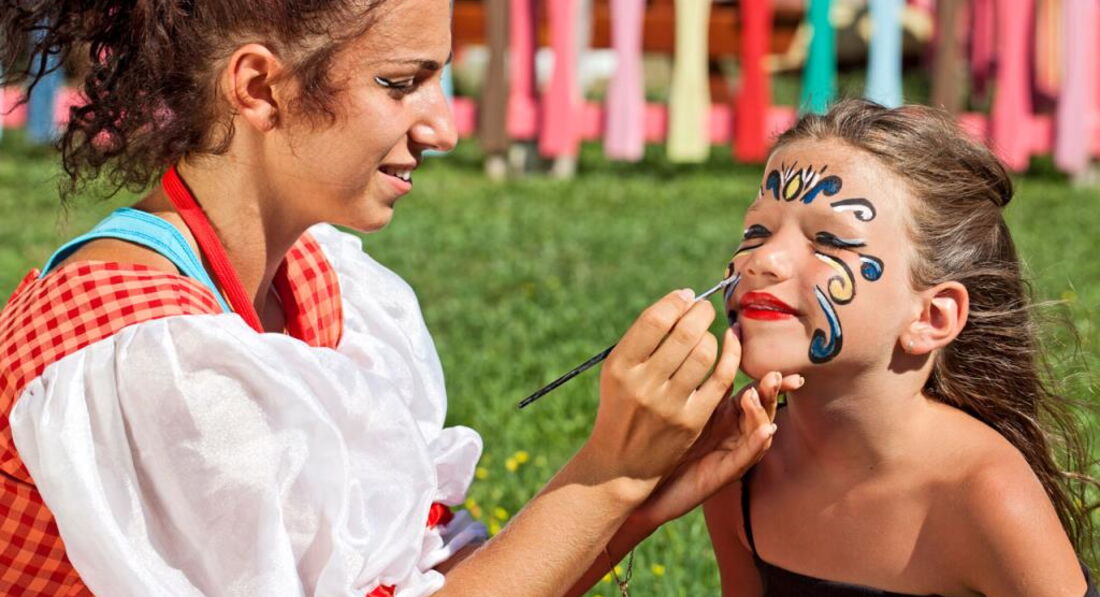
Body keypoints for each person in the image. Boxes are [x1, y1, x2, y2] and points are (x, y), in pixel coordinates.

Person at [0, 1, 797, 595]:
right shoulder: (158, 366)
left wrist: (639, 496)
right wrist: (611, 471)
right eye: (401, 83)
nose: (443, 127)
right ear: (259, 87)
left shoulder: (319, 281)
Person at [705, 99, 1099, 596]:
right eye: (756, 231)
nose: (763, 259)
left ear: (931, 317)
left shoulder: (985, 493)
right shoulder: (739, 465)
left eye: (828, 240)